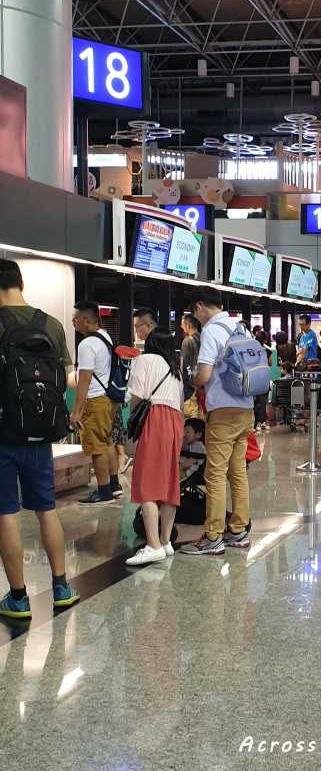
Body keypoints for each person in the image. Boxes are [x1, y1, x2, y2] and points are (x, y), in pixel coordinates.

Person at [0, 260, 80, 618]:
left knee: (6, 513)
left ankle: (18, 598)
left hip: (3, 434)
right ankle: (61, 587)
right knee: (46, 509)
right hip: (39, 432)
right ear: (21, 283)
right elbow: (65, 378)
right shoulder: (51, 324)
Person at [180, 288, 252, 556]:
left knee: (215, 474)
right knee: (237, 472)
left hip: (223, 410)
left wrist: (193, 379)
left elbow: (205, 374)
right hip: (245, 409)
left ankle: (213, 536)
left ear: (199, 306)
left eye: (194, 312)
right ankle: (239, 530)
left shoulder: (211, 330)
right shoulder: (239, 327)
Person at [125, 328, 184, 567]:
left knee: (147, 482)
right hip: (175, 422)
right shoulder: (175, 368)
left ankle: (153, 545)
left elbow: (137, 397)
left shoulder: (144, 360)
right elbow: (180, 403)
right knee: (169, 482)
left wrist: (134, 422)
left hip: (155, 419)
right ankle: (166, 541)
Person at [71, 300, 121, 504]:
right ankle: (114, 484)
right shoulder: (105, 336)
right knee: (107, 442)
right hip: (108, 399)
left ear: (85, 320)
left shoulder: (86, 344)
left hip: (94, 400)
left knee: (96, 447)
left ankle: (103, 491)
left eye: (75, 318)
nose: (74, 321)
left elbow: (84, 381)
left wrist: (76, 411)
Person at [180, 312, 201, 401]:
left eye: (182, 324)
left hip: (190, 383)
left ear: (188, 325)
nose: (181, 326)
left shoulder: (187, 341)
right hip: (202, 379)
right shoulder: (203, 337)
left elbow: (183, 364)